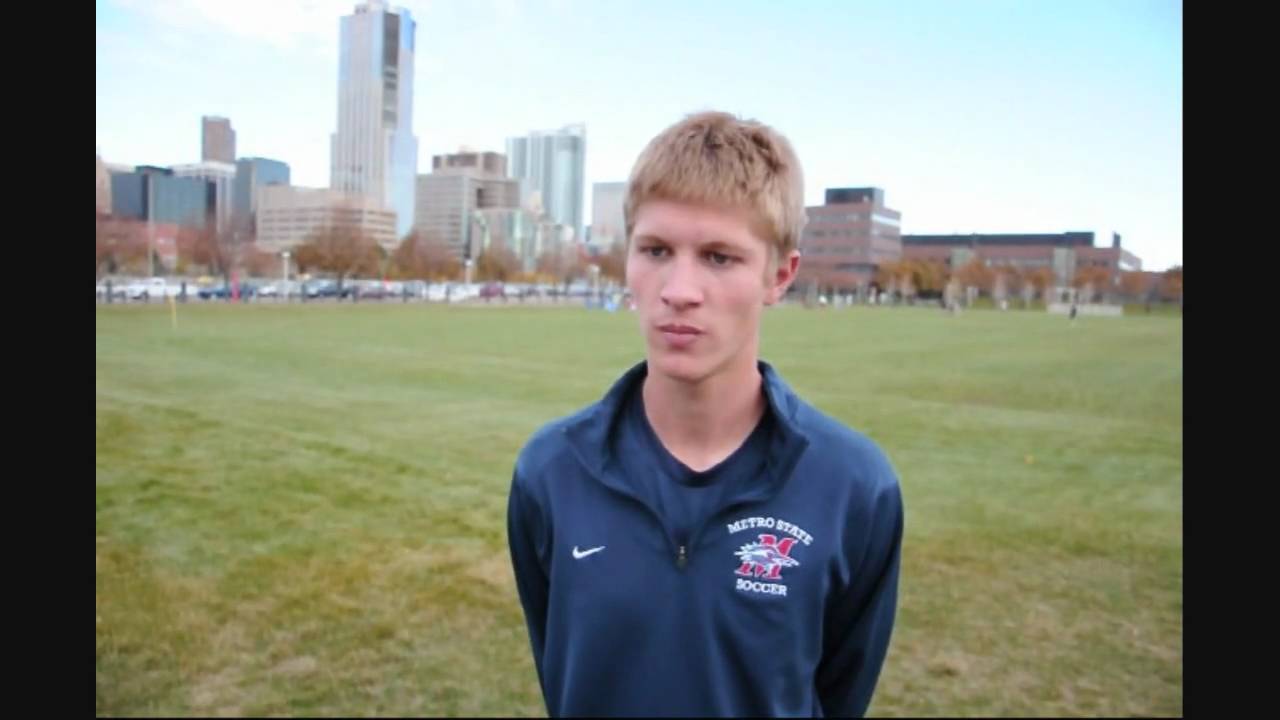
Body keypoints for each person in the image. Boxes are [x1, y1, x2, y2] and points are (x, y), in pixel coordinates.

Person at [507, 111, 904, 718]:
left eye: (719, 257)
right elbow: (562, 674)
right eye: (657, 250)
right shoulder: (551, 471)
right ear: (628, 261)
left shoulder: (853, 487)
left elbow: (838, 696)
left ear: (780, 275)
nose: (680, 288)